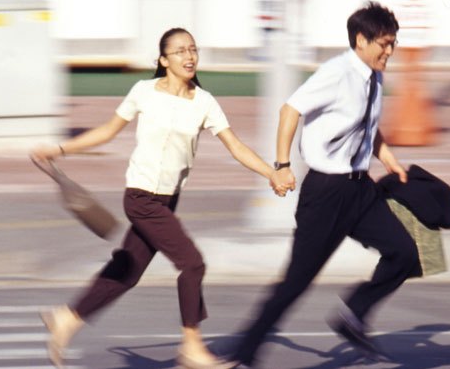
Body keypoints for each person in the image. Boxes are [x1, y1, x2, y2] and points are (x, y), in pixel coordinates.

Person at [31, 27, 282, 369]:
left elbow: (235, 146)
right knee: (192, 264)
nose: (189, 56)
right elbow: (106, 131)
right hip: (141, 197)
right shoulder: (144, 91)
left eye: (193, 49)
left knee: (128, 271)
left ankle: (66, 318)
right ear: (164, 60)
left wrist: (271, 173)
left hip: (167, 200)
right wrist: (59, 149)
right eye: (180, 51)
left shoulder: (204, 102)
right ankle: (191, 346)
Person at [223, 1, 420, 367]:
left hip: (360, 190)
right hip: (326, 193)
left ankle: (353, 315)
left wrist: (388, 158)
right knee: (296, 282)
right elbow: (290, 109)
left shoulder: (374, 76)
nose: (390, 51)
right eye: (384, 44)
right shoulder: (336, 73)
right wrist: (282, 165)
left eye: (393, 43)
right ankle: (243, 354)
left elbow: (366, 124)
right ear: (361, 40)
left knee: (405, 253)